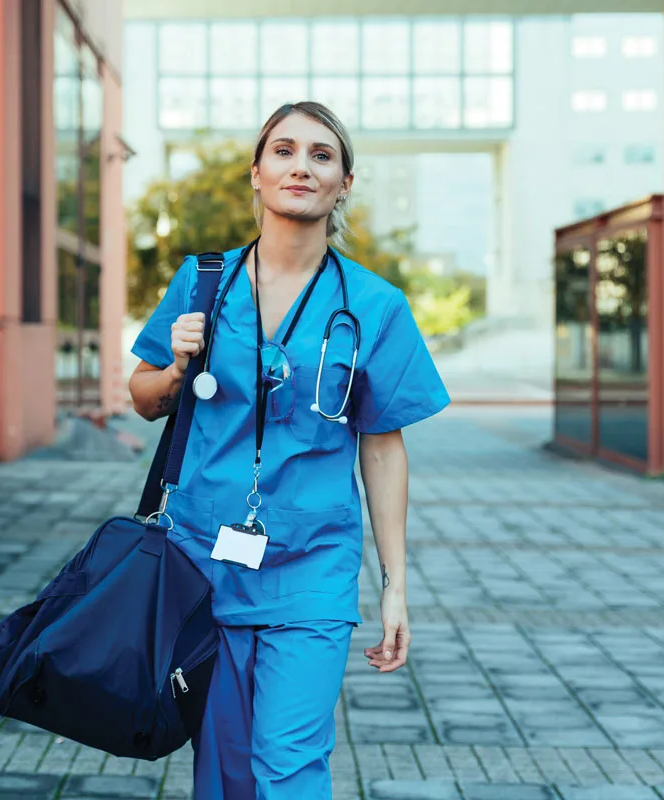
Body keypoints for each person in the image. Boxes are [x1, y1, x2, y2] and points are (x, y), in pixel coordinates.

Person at [128, 101, 449, 800]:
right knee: (222, 769)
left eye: (321, 155)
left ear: (345, 183)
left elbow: (384, 446)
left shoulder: (375, 304)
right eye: (284, 150)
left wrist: (395, 587)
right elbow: (144, 395)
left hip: (313, 566)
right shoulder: (202, 280)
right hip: (199, 563)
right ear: (256, 172)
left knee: (288, 766)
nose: (301, 165)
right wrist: (177, 369)